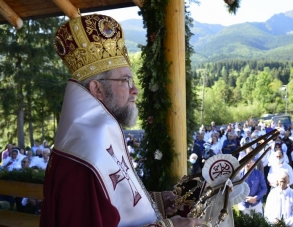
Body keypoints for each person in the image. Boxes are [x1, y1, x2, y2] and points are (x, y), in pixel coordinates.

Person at [40, 14, 202, 227]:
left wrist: (158, 202)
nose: (134, 90)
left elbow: (111, 206)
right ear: (97, 89)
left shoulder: (95, 137)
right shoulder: (86, 155)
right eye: (125, 81)